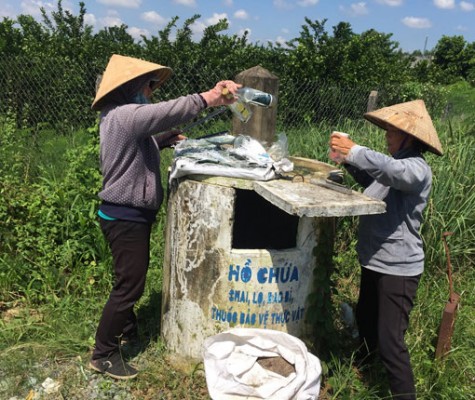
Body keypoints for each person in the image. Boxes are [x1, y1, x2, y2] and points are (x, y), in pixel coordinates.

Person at [89, 54, 241, 380]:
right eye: (148, 86)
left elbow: (139, 144)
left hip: (125, 215)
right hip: (126, 217)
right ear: (130, 88)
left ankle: (126, 331)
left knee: (127, 277)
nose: (151, 92)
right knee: (130, 285)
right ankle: (102, 353)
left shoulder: (118, 118)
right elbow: (166, 112)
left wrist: (164, 139)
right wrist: (210, 98)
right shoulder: (125, 115)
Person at [329, 100, 443, 400]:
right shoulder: (395, 169)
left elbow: (392, 172)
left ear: (409, 138)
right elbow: (375, 180)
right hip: (375, 261)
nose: (387, 136)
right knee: (367, 321)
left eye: (392, 132)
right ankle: (364, 368)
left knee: (391, 340)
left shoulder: (416, 168)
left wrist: (354, 149)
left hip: (399, 268)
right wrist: (349, 161)